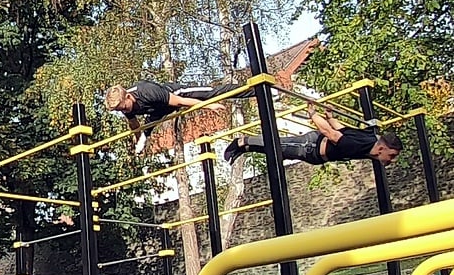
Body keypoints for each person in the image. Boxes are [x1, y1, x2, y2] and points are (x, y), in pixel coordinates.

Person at [224, 104, 402, 166]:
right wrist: (313, 115)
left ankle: (246, 148)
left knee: (277, 153)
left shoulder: (371, 137)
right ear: (381, 148)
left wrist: (331, 118)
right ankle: (241, 141)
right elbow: (330, 133)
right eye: (391, 155)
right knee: (276, 145)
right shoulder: (359, 146)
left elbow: (343, 129)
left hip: (316, 155)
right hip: (310, 147)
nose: (391, 160)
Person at [104, 81, 250, 153]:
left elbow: (180, 102)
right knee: (148, 125)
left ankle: (255, 89)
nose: (123, 110)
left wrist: (209, 105)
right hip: (157, 111)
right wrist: (138, 140)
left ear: (128, 97)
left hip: (176, 95)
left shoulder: (148, 91)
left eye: (123, 107)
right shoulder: (123, 105)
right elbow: (134, 124)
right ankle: (144, 138)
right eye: (119, 110)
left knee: (212, 93)